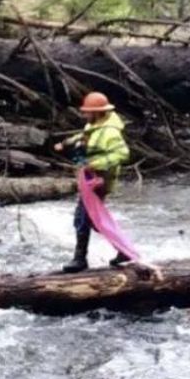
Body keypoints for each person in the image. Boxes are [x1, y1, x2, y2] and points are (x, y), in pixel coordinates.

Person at [54, 91, 131, 273]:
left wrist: (95, 164)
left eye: (87, 111)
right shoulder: (95, 125)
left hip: (99, 180)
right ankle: (123, 250)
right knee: (95, 221)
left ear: (97, 112)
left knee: (82, 219)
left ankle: (80, 260)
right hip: (90, 178)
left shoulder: (110, 132)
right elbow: (84, 137)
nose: (84, 114)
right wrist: (65, 143)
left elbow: (122, 154)